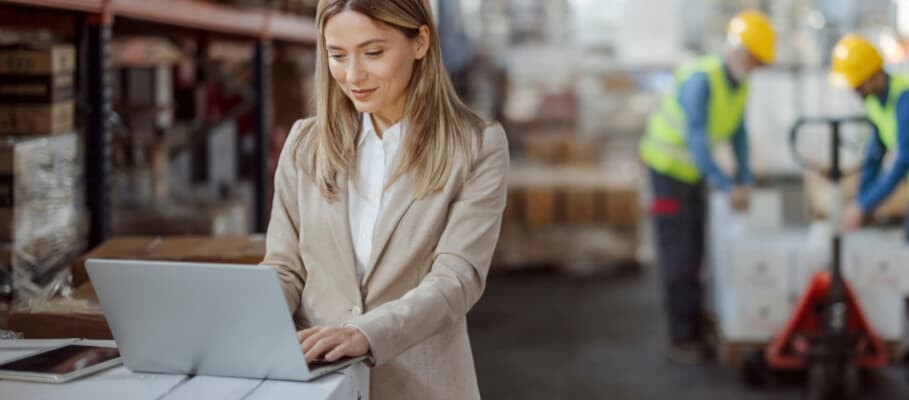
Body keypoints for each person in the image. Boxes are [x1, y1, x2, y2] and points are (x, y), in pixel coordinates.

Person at [260, 0, 509, 399]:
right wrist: (246, 316)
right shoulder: (304, 144)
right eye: (337, 55)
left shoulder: (476, 147)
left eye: (373, 53)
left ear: (420, 42)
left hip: (422, 385)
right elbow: (285, 267)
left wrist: (365, 333)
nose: (353, 75)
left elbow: (456, 280)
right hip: (319, 384)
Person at [638, 11, 775, 364]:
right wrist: (726, 184)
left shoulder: (739, 84)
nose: (757, 68)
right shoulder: (702, 80)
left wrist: (745, 177)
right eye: (756, 60)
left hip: (694, 175)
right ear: (740, 51)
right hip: (667, 174)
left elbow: (738, 134)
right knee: (679, 254)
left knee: (697, 250)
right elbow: (697, 140)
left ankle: (698, 326)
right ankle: (681, 336)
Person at [831, 34, 909, 236]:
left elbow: (902, 160)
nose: (854, 91)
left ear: (874, 75)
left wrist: (863, 205)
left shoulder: (904, 98)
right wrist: (860, 199)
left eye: (857, 85)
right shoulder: (875, 102)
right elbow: (875, 154)